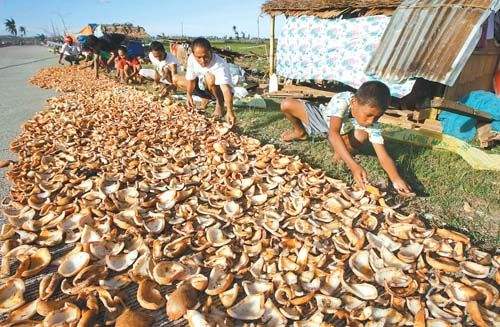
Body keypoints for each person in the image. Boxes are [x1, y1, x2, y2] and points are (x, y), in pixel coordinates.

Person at [280, 81, 413, 195]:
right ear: (354, 102)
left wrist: (396, 179)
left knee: (362, 134)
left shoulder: (372, 124)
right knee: (286, 104)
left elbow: (383, 156)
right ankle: (299, 132)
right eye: (368, 115)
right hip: (324, 120)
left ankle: (340, 153)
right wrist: (353, 166)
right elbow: (333, 132)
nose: (371, 121)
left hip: (341, 133)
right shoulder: (342, 100)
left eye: (377, 117)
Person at [185, 37, 235, 125]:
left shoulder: (220, 64)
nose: (203, 61)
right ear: (193, 54)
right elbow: (190, 79)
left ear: (210, 51)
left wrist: (230, 111)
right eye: (199, 57)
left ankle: (220, 104)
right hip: (203, 86)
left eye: (206, 56)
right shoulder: (191, 59)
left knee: (209, 77)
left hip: (219, 91)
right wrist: (188, 95)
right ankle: (204, 98)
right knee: (179, 79)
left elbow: (225, 89)